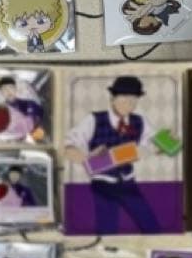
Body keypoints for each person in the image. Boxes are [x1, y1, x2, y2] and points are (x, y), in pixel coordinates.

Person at [64, 76, 163, 234]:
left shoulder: (140, 121)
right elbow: (68, 146)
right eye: (124, 98)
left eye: (133, 100)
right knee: (107, 230)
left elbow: (163, 144)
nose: (129, 104)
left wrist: (165, 145)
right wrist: (88, 159)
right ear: (112, 99)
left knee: (151, 225)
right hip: (103, 184)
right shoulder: (94, 119)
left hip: (128, 182)